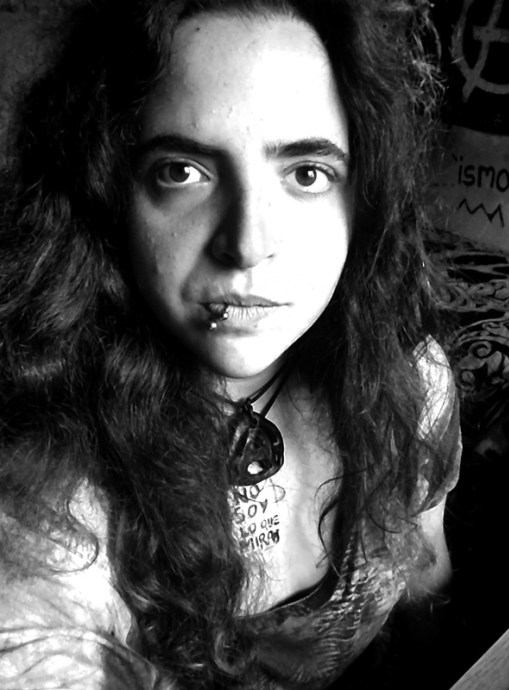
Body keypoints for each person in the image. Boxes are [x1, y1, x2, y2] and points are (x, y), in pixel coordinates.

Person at [0, 0, 461, 688]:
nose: (247, 243)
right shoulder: (48, 514)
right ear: (106, 191)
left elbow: (427, 588)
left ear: (363, 197)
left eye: (306, 173)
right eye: (182, 171)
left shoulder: (412, 385)